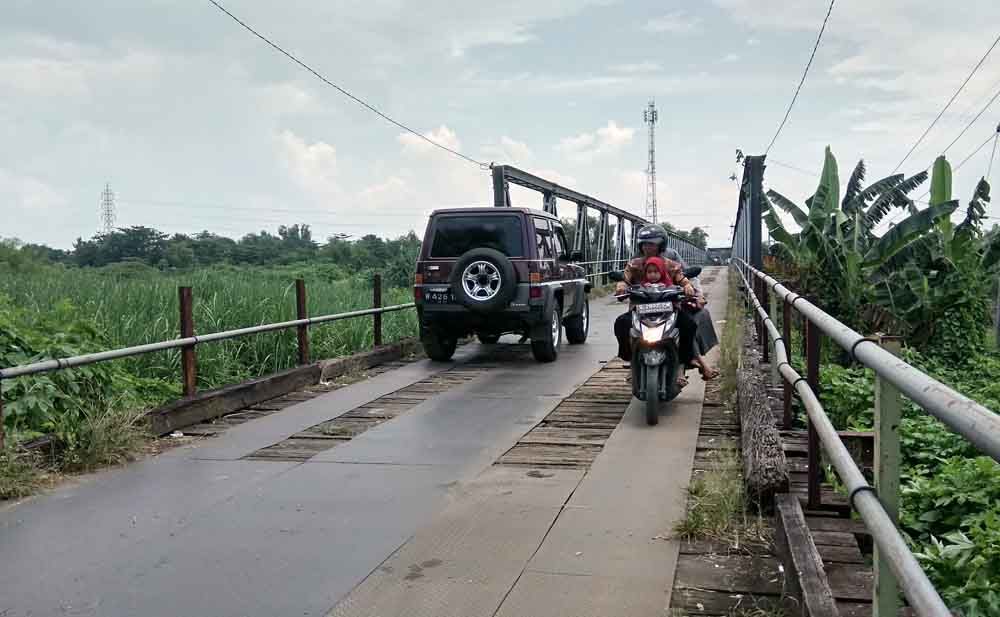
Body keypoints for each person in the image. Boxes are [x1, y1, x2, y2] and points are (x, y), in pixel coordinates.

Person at [613, 225, 718, 381]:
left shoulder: (671, 264)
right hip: (640, 310)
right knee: (621, 323)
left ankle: (686, 359)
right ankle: (630, 358)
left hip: (668, 309)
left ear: (661, 245)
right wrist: (621, 287)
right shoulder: (634, 264)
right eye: (645, 244)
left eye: (652, 244)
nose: (648, 247)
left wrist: (688, 287)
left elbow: (682, 279)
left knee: (688, 325)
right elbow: (625, 280)